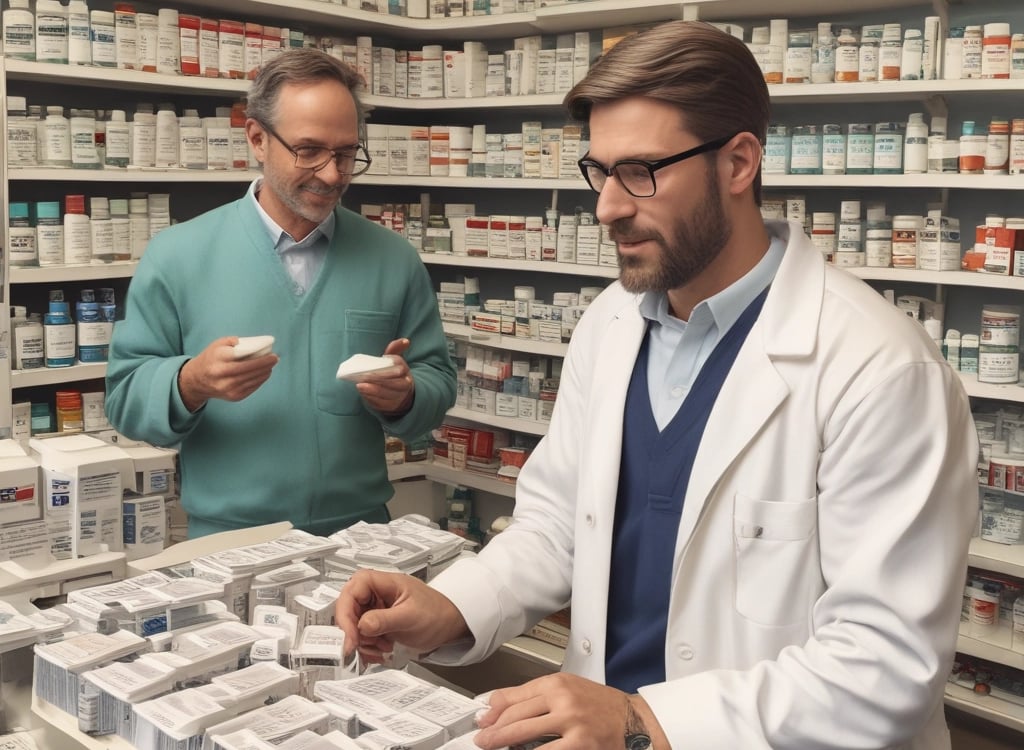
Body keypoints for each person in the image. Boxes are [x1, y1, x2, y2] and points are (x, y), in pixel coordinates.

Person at [336, 20, 979, 750]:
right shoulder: (610, 323)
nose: (607, 206)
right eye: (600, 172)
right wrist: (452, 604)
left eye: (640, 172)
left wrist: (646, 721)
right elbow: (555, 525)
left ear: (738, 164)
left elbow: (885, 668)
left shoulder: (881, 370)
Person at [105, 48, 456, 538]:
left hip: (361, 538)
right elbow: (124, 397)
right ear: (257, 139)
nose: (333, 174)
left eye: (347, 153)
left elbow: (437, 380)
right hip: (228, 543)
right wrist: (191, 382)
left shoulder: (392, 258)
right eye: (309, 150)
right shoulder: (177, 255)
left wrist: (405, 395)